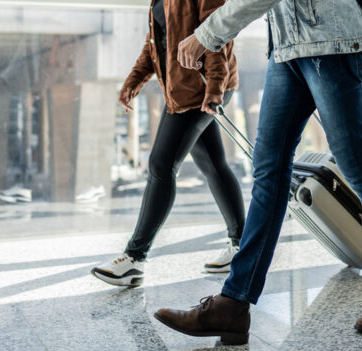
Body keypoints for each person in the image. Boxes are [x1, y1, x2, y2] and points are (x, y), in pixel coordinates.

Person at [152, 0, 362, 344]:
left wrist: (207, 34)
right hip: (287, 49)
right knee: (268, 172)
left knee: (357, 164)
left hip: (331, 41)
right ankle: (234, 304)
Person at [91, 0, 246, 287]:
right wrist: (132, 83)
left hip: (200, 90)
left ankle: (134, 259)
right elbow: (155, 44)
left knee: (161, 165)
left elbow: (216, 35)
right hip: (183, 91)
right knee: (212, 164)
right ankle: (242, 247)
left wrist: (214, 88)